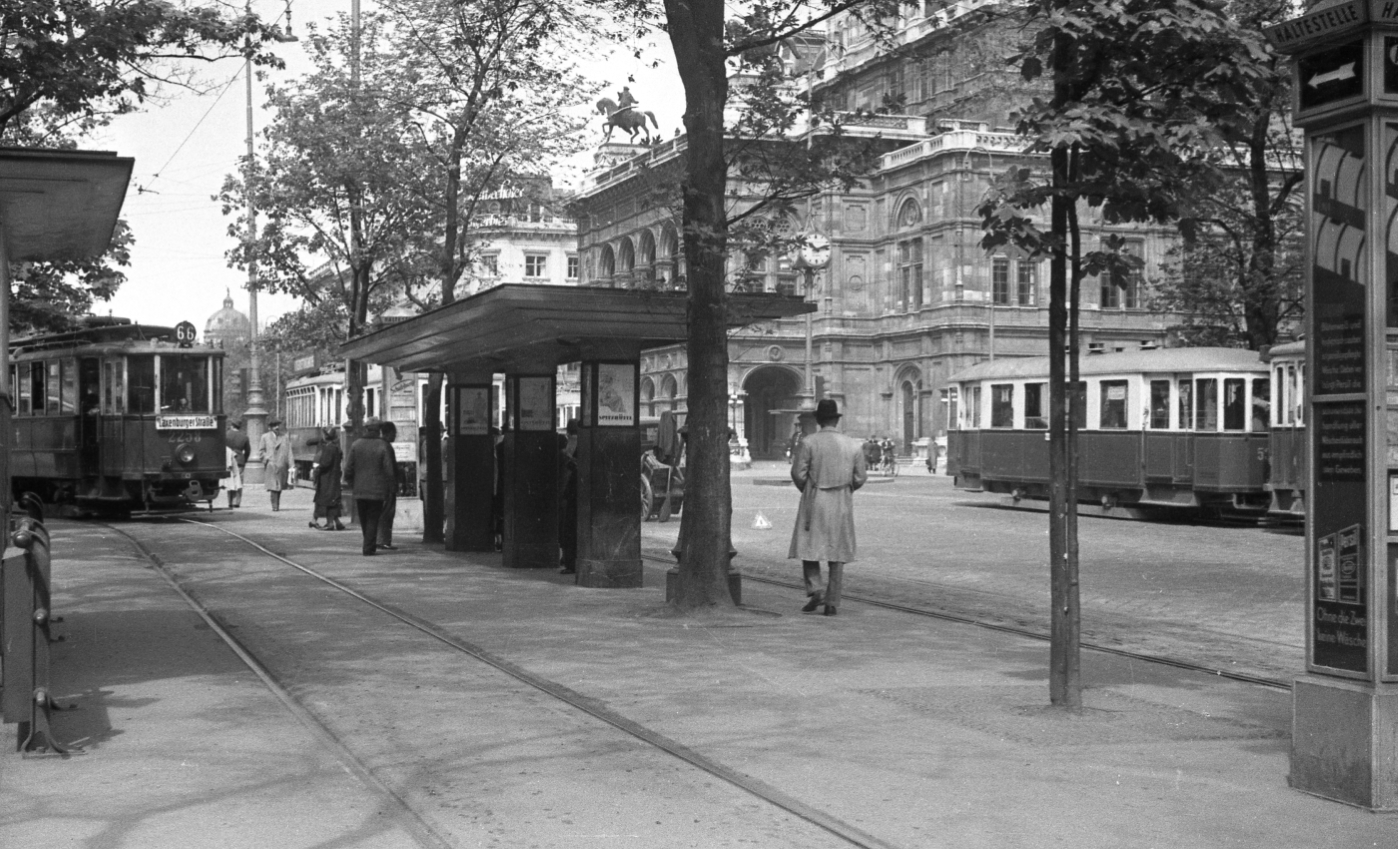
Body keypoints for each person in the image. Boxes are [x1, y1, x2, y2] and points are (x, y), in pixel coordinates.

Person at [788, 399, 867, 617]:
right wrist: (846, 488)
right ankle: (832, 601)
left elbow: (797, 473)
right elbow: (860, 477)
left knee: (809, 546)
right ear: (836, 419)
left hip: (814, 498)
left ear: (819, 420)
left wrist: (808, 488)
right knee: (837, 549)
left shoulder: (809, 442)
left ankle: (816, 589)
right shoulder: (853, 445)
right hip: (841, 501)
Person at [343, 417, 397, 556]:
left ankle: (369, 544)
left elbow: (348, 468)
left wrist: (350, 482)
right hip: (377, 490)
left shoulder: (356, 444)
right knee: (373, 518)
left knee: (364, 519)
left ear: (366, 429)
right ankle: (368, 547)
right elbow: (389, 470)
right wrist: (391, 486)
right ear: (378, 430)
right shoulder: (383, 445)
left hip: (360, 489)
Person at [310, 427, 345, 531]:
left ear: (326, 436)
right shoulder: (336, 447)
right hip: (333, 478)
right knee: (332, 500)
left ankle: (329, 523)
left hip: (327, 478)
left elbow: (325, 463)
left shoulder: (329, 448)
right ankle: (337, 523)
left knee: (327, 500)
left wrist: (317, 468)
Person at [377, 421, 404, 550]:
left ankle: (379, 539)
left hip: (378, 485)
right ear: (388, 433)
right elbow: (389, 469)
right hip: (388, 486)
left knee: (380, 513)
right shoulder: (387, 447)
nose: (395, 436)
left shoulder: (378, 445)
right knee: (387, 513)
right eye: (394, 433)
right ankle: (384, 540)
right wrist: (394, 485)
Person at [558, 419, 580, 574]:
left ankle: (570, 561)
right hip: (576, 493)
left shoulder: (572, 443)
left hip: (571, 493)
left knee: (569, 528)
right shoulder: (582, 442)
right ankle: (570, 560)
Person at [258, 418, 292, 511]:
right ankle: (275, 506)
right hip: (271, 465)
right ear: (270, 428)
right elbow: (261, 451)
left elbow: (289, 452)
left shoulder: (284, 437)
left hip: (281, 464)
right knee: (273, 487)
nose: (277, 427)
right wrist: (267, 458)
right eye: (274, 426)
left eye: (278, 425)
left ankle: (277, 504)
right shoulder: (265, 437)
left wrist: (291, 465)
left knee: (279, 486)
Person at [225, 419, 251, 507]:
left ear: (232, 426)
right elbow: (248, 451)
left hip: (228, 459)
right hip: (240, 460)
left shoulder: (226, 435)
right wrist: (245, 460)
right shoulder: (244, 437)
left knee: (230, 480)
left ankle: (230, 502)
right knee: (238, 481)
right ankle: (237, 502)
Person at [220, 443, 242, 510]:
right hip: (231, 468)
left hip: (230, 467)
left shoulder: (227, 450)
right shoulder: (228, 450)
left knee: (232, 485)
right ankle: (233, 502)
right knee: (233, 485)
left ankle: (231, 502)